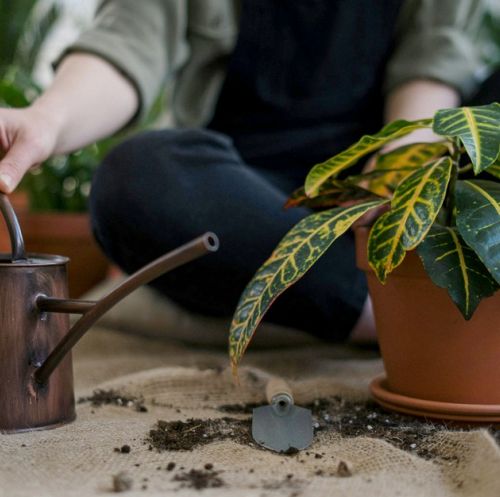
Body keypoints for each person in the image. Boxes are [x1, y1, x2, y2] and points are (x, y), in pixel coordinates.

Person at [0, 0, 496, 343]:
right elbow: (128, 43)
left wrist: (397, 171)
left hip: (388, 173)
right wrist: (45, 121)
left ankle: (371, 295)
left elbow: (432, 68)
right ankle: (386, 316)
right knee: (135, 178)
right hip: (250, 202)